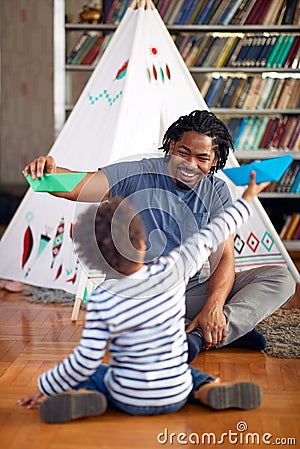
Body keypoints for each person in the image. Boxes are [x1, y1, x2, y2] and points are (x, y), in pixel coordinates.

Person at [23, 110, 295, 362]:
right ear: (171, 146)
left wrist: (213, 306)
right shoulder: (136, 173)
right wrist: (48, 173)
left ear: (215, 161)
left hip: (186, 292)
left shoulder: (217, 191)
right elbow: (78, 185)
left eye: (202, 159)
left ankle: (200, 336)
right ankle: (224, 330)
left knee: (280, 278)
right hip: (139, 295)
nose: (190, 164)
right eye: (183, 153)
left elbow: (223, 256)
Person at [19, 173, 266, 423]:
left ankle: (93, 397)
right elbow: (212, 234)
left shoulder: (103, 299)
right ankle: (208, 390)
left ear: (96, 258)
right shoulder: (173, 269)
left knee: (95, 372)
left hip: (129, 398)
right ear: (142, 240)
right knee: (186, 372)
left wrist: (45, 386)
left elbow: (84, 360)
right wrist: (246, 199)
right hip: (174, 393)